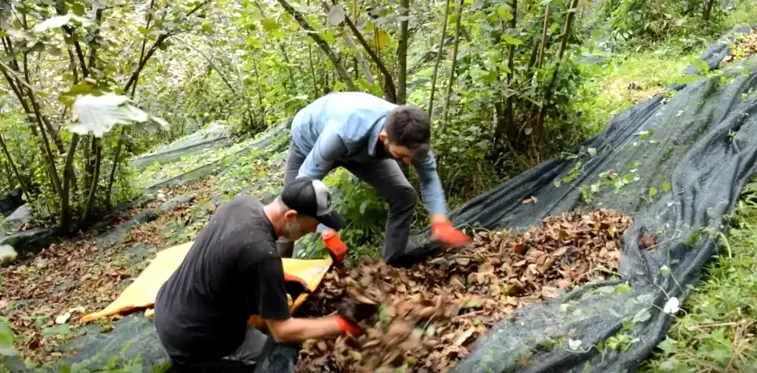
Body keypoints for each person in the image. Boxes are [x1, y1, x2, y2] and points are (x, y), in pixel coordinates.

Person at [154, 177, 365, 372]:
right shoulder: (262, 255)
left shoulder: (242, 205)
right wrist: (342, 324)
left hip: (169, 307)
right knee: (286, 356)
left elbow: (235, 259)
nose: (311, 232)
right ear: (290, 216)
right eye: (310, 228)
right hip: (195, 338)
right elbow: (282, 332)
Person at [279, 91, 470, 266]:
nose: (408, 161)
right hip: (310, 140)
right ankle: (276, 277)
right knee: (290, 209)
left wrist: (440, 221)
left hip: (361, 150)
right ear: (384, 137)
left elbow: (429, 179)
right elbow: (304, 182)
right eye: (402, 155)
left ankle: (392, 265)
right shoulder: (342, 133)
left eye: (411, 156)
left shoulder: (414, 140)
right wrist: (325, 232)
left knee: (403, 196)